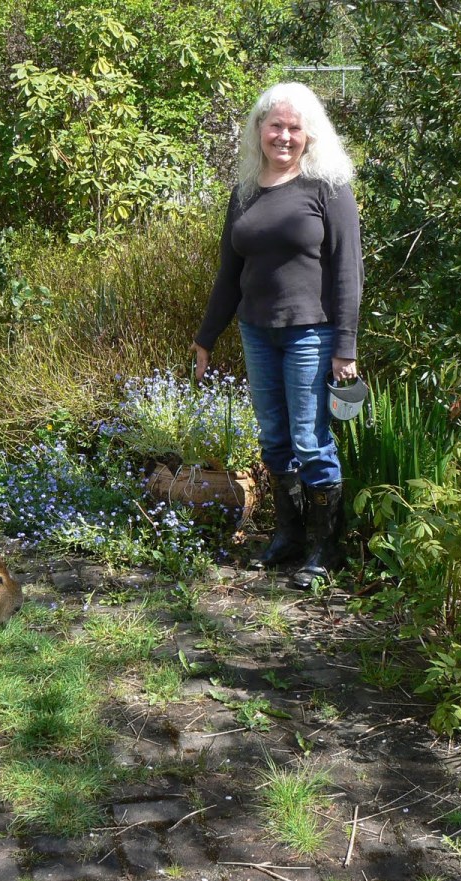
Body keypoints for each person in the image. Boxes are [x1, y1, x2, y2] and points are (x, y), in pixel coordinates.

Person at [190, 82, 362, 590]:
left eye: (294, 128)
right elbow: (229, 273)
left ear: (310, 134)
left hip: (312, 333)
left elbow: (348, 272)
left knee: (310, 440)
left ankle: (324, 549)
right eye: (275, 126)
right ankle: (288, 537)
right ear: (259, 129)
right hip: (257, 332)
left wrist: (345, 347)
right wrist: (206, 336)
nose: (284, 136)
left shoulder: (328, 187)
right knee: (274, 438)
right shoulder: (245, 193)